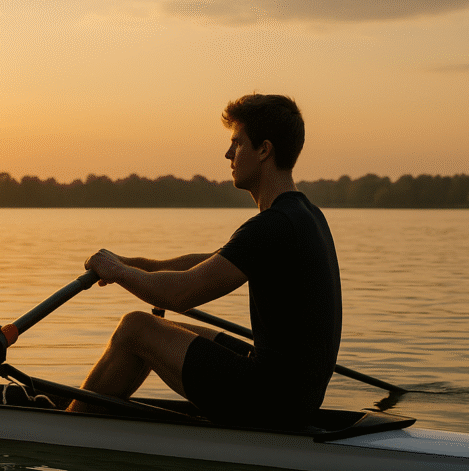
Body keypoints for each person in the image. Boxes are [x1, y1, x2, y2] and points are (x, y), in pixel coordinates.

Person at [74, 94, 341, 428]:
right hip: (296, 396)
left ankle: (68, 428)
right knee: (166, 328)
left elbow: (182, 294)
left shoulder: (272, 225)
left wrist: (116, 271)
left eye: (237, 143)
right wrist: (128, 263)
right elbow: (206, 264)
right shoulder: (305, 216)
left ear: (264, 150)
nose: (228, 154)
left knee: (136, 327)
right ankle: (91, 416)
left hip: (271, 403)